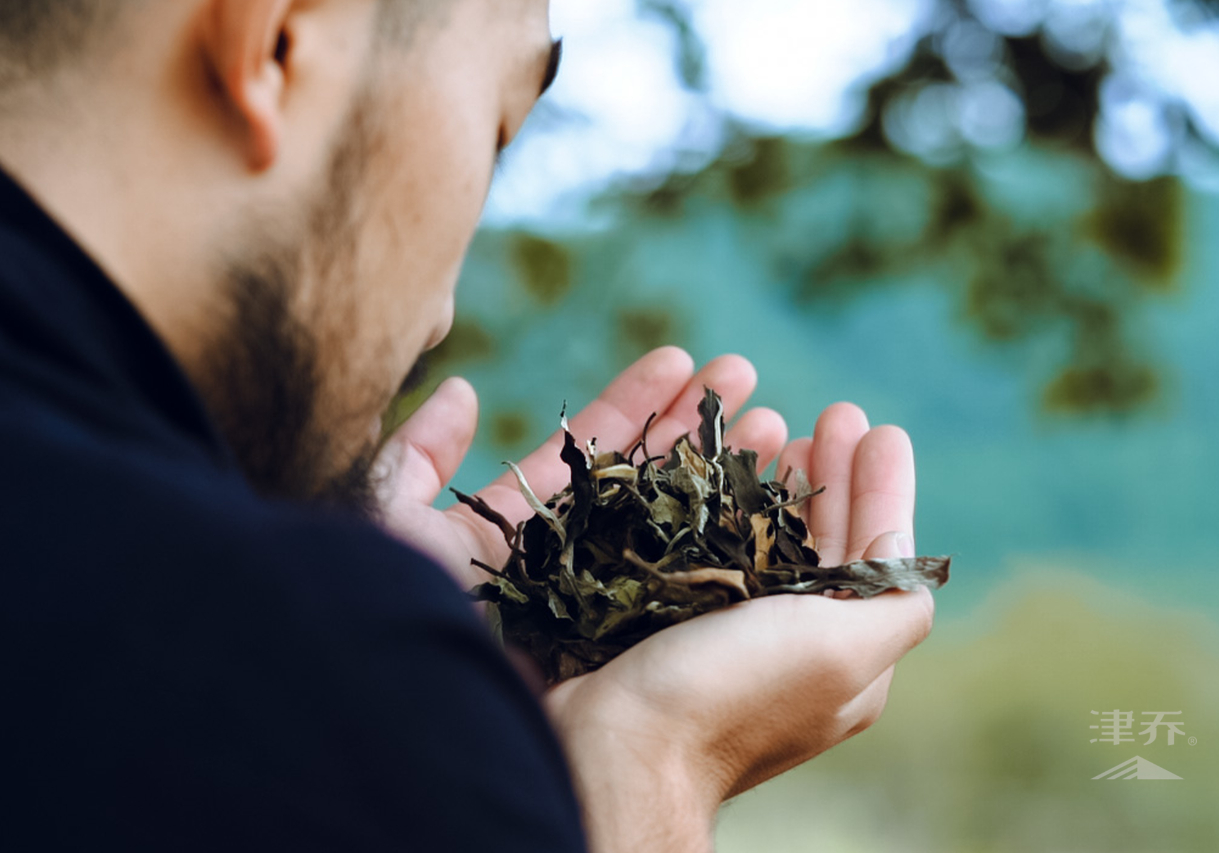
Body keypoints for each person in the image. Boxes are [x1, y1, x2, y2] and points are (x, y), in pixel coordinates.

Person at [0, 1, 935, 850]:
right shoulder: (304, 681)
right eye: (497, 133)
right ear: (278, 41)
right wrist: (646, 763)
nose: (443, 315)